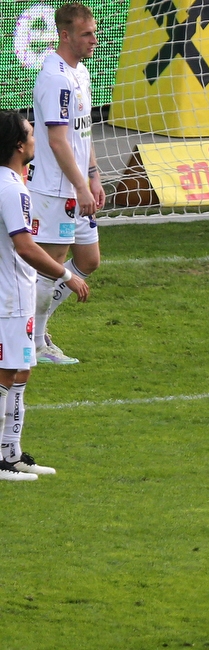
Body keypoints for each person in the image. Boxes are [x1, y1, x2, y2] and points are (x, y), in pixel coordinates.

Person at [0, 111, 89, 480]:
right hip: (10, 297)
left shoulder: (8, 182)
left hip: (14, 294)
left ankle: (12, 452)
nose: (35, 139)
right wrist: (66, 274)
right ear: (19, 146)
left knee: (20, 371)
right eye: (31, 135)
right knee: (6, 374)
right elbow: (24, 246)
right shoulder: (12, 188)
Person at [26, 2, 103, 365]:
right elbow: (57, 141)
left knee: (89, 259)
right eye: (87, 34)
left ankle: (36, 331)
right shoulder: (54, 77)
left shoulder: (81, 73)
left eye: (95, 32)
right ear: (65, 34)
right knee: (50, 265)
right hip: (55, 189)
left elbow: (81, 133)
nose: (94, 40)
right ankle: (35, 341)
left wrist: (94, 174)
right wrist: (81, 187)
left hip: (76, 185)